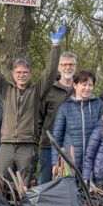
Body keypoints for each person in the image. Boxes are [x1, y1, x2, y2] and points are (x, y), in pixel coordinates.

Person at [0, 25, 64, 186]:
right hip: (6, 145)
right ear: (13, 74)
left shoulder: (37, 91)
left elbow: (50, 72)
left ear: (30, 74)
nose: (21, 75)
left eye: (25, 73)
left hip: (28, 145)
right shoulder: (6, 90)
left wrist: (56, 45)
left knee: (25, 185)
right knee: (2, 184)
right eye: (18, 73)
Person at [50, 70, 103, 173]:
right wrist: (55, 163)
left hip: (93, 164)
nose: (87, 88)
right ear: (75, 85)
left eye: (90, 85)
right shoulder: (65, 108)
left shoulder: (99, 106)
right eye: (84, 84)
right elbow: (56, 138)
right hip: (70, 164)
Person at [38, 52, 77, 184]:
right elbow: (39, 119)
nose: (67, 67)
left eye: (71, 64)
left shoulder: (80, 89)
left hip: (72, 146)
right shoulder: (49, 90)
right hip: (48, 145)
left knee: (69, 183)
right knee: (45, 183)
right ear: (59, 67)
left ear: (75, 67)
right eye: (64, 64)